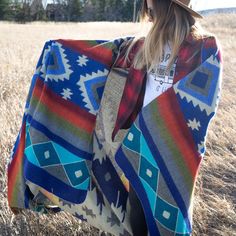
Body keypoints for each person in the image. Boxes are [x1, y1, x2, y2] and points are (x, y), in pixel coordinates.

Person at [7, 0, 222, 235]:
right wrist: (56, 51)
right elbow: (102, 55)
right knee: (135, 222)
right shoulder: (142, 46)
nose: (146, 7)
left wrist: (149, 140)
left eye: (150, 4)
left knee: (164, 221)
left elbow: (199, 106)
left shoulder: (205, 48)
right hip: (131, 153)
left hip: (165, 153)